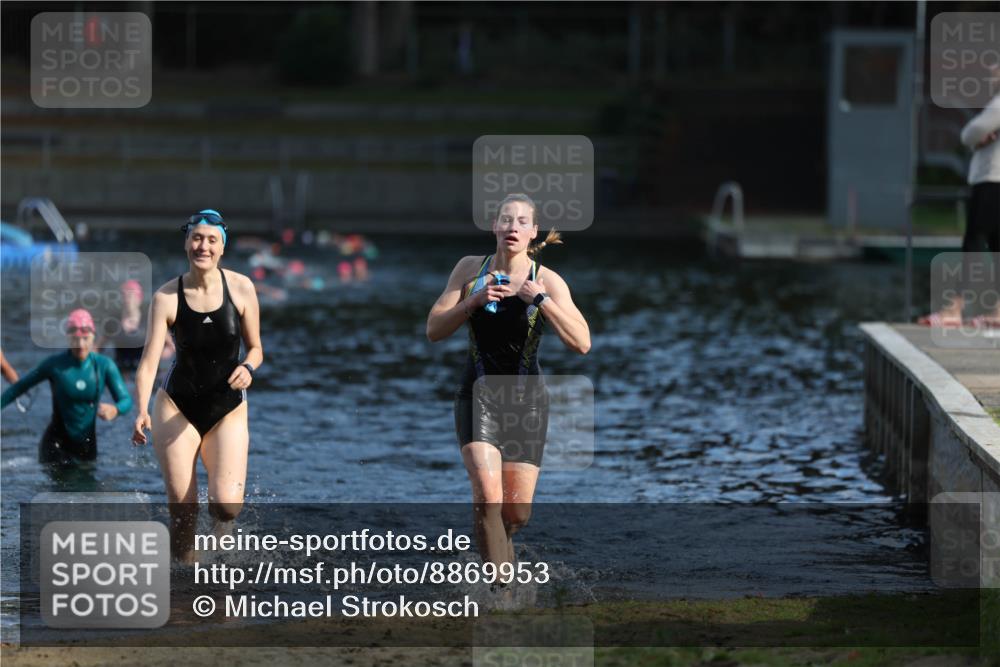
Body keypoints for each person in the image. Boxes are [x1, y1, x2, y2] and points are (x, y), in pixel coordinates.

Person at [426, 193, 591, 577]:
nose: (512, 227)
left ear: (533, 232)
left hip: (527, 403)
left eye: (521, 222)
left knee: (516, 513)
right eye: (506, 220)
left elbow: (582, 343)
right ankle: (500, 591)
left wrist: (542, 300)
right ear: (494, 227)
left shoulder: (546, 280)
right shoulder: (469, 269)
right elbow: (433, 329)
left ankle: (498, 559)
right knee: (488, 496)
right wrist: (473, 301)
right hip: (477, 395)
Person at [131, 209, 263, 562]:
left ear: (222, 248)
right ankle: (184, 576)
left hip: (228, 408)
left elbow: (256, 348)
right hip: (176, 406)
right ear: (187, 242)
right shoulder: (166, 297)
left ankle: (220, 549)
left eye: (211, 240)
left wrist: (248, 367)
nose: (203, 246)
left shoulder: (241, 288)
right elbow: (148, 364)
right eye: (197, 238)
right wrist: (141, 410)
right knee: (183, 511)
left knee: (226, 507)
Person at [0, 309, 132, 464]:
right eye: (75, 339)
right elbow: (18, 388)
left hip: (87, 446)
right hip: (55, 445)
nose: (80, 345)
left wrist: (116, 409)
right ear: (68, 338)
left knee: (86, 478)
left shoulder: (104, 365)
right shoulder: (54, 365)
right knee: (60, 476)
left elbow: (126, 400)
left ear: (93, 337)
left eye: (85, 339)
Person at [920, 83, 1000, 327]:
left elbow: (971, 132)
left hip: (992, 180)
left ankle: (954, 308)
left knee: (974, 241)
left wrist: (976, 140)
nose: (992, 70)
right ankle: (998, 312)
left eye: (996, 67)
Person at [97, 280, 174, 381]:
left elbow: (171, 345)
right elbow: (97, 348)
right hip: (123, 374)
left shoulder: (149, 320)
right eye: (125, 295)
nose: (128, 299)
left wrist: (156, 356)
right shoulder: (113, 322)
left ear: (139, 298)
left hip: (147, 374)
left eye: (131, 295)